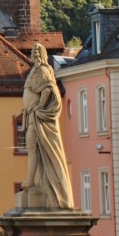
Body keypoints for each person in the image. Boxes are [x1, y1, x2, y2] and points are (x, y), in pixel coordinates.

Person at [20, 44, 74, 208]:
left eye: (38, 52)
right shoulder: (33, 71)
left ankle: (30, 180)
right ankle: (35, 180)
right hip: (31, 115)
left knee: (34, 148)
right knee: (33, 148)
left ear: (42, 54)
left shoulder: (43, 70)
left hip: (38, 116)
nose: (35, 55)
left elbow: (47, 90)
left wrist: (40, 107)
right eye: (33, 52)